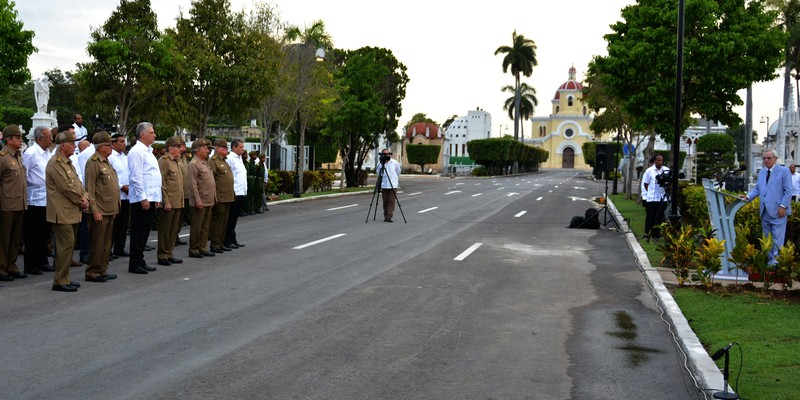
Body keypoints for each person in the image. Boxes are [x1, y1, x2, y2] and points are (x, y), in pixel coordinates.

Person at [46, 129, 89, 292]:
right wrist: (81, 201)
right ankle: (59, 281)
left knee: (69, 247)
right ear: (63, 145)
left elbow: (78, 184)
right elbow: (66, 188)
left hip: (72, 211)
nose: (74, 146)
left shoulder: (68, 162)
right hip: (62, 212)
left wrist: (85, 197)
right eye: (71, 144)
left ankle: (65, 278)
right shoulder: (55, 163)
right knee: (65, 246)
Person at [739, 149, 793, 267]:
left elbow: (789, 191)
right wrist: (748, 197)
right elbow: (757, 189)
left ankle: (776, 264)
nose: (766, 160)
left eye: (769, 158)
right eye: (764, 158)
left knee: (777, 239)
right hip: (764, 211)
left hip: (778, 211)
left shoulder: (784, 171)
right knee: (767, 239)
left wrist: (783, 206)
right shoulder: (762, 172)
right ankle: (769, 263)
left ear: (775, 159)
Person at [83, 131, 120, 282]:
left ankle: (102, 269)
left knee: (106, 244)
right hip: (100, 210)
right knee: (97, 244)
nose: (111, 147)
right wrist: (95, 210)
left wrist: (115, 208)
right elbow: (90, 189)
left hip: (109, 209)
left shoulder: (106, 161)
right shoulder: (93, 163)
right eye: (108, 144)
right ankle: (93, 271)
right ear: (100, 147)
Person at [127, 122, 162, 274]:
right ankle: (134, 263)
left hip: (151, 197)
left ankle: (140, 260)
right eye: (151, 132)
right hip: (141, 199)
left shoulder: (149, 151)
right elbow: (136, 177)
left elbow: (153, 176)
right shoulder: (136, 151)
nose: (154, 135)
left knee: (145, 232)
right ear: (142, 134)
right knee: (138, 232)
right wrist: (143, 198)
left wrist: (157, 197)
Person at [22, 126, 55, 275]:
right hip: (34, 200)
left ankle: (42, 261)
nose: (51, 139)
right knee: (33, 234)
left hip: (47, 199)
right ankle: (30, 264)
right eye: (48, 137)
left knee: (44, 233)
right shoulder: (31, 153)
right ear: (40, 138)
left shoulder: (48, 153)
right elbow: (24, 175)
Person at [0, 125, 29, 282]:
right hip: (6, 205)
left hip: (19, 203)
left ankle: (11, 266)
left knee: (15, 239)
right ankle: (2, 268)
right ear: (9, 140)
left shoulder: (18, 156)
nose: (20, 140)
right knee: (4, 239)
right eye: (17, 138)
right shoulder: (3, 158)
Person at [156, 137, 185, 266]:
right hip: (169, 201)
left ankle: (169, 253)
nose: (180, 149)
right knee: (165, 230)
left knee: (174, 230)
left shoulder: (177, 161)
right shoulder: (164, 161)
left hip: (178, 200)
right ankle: (162, 255)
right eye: (178, 147)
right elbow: (161, 183)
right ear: (171, 148)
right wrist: (165, 201)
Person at [187, 139, 215, 258]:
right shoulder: (194, 164)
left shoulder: (204, 162)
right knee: (197, 227)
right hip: (200, 201)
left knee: (205, 226)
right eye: (205, 148)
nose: (207, 151)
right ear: (197, 151)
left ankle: (203, 247)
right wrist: (197, 200)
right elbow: (193, 184)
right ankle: (194, 249)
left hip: (208, 200)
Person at [209, 139, 233, 253]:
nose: (227, 149)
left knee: (224, 221)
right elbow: (211, 179)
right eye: (224, 147)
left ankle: (221, 242)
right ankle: (215, 243)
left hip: (227, 196)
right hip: (219, 196)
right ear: (217, 148)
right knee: (217, 221)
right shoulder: (213, 161)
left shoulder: (224, 160)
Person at [109, 133, 130, 258]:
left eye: (124, 141)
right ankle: (108, 250)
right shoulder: (111, 157)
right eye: (121, 141)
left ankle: (119, 248)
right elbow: (110, 177)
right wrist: (122, 186)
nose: (124, 144)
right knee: (113, 225)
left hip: (127, 196)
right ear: (113, 143)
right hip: (116, 195)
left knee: (123, 224)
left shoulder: (125, 157)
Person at [225, 139, 248, 249]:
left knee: (234, 218)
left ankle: (232, 239)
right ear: (234, 147)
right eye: (240, 147)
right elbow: (228, 176)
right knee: (230, 217)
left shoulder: (239, 158)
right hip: (234, 192)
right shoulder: (230, 158)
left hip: (241, 192)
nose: (243, 149)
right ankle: (227, 240)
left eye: (243, 147)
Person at [642, 154, 670, 239]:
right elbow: (645, 184)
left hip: (662, 198)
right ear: (655, 161)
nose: (660, 162)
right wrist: (645, 197)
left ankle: (656, 234)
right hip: (652, 198)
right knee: (650, 216)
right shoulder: (649, 171)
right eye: (659, 160)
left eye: (662, 160)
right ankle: (647, 233)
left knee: (660, 217)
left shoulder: (666, 170)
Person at [375, 148, 401, 222]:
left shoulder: (394, 163)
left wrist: (394, 179)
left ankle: (389, 215)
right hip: (384, 185)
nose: (386, 155)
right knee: (385, 201)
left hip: (393, 184)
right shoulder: (380, 164)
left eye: (388, 154)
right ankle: (385, 215)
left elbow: (398, 171)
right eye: (385, 154)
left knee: (391, 201)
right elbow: (378, 173)